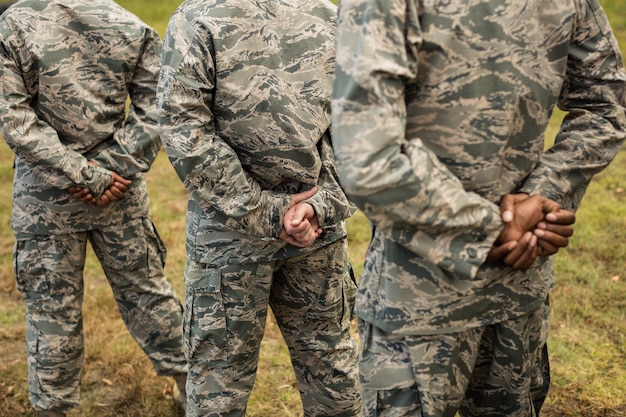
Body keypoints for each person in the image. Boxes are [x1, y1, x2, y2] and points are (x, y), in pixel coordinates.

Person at [331, 0, 626, 416]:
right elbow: (607, 106)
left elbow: (367, 157)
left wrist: (516, 215)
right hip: (490, 288)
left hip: (428, 306)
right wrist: (529, 211)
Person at [156, 0, 362, 416]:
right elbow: (359, 124)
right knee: (329, 366)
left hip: (248, 230)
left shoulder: (197, 16)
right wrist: (308, 207)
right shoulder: (333, 14)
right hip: (269, 227)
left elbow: (182, 127)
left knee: (223, 380)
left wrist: (305, 208)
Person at [0, 1, 188, 416]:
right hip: (118, 192)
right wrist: (111, 168)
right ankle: (188, 386)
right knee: (146, 293)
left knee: (51, 308)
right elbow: (160, 104)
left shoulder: (13, 24)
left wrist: (82, 173)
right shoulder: (130, 25)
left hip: (46, 198)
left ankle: (54, 409)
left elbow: (14, 118)